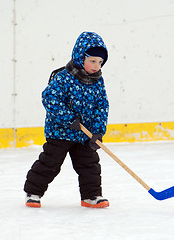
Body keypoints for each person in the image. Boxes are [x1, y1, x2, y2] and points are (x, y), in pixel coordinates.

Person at [24, 32, 110, 208]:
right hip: (60, 131)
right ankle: (33, 192)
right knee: (50, 162)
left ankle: (91, 196)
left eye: (100, 62)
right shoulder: (63, 77)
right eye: (92, 60)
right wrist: (68, 119)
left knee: (89, 164)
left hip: (83, 133)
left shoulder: (97, 81)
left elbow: (101, 106)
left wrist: (98, 131)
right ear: (80, 57)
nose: (96, 66)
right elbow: (49, 98)